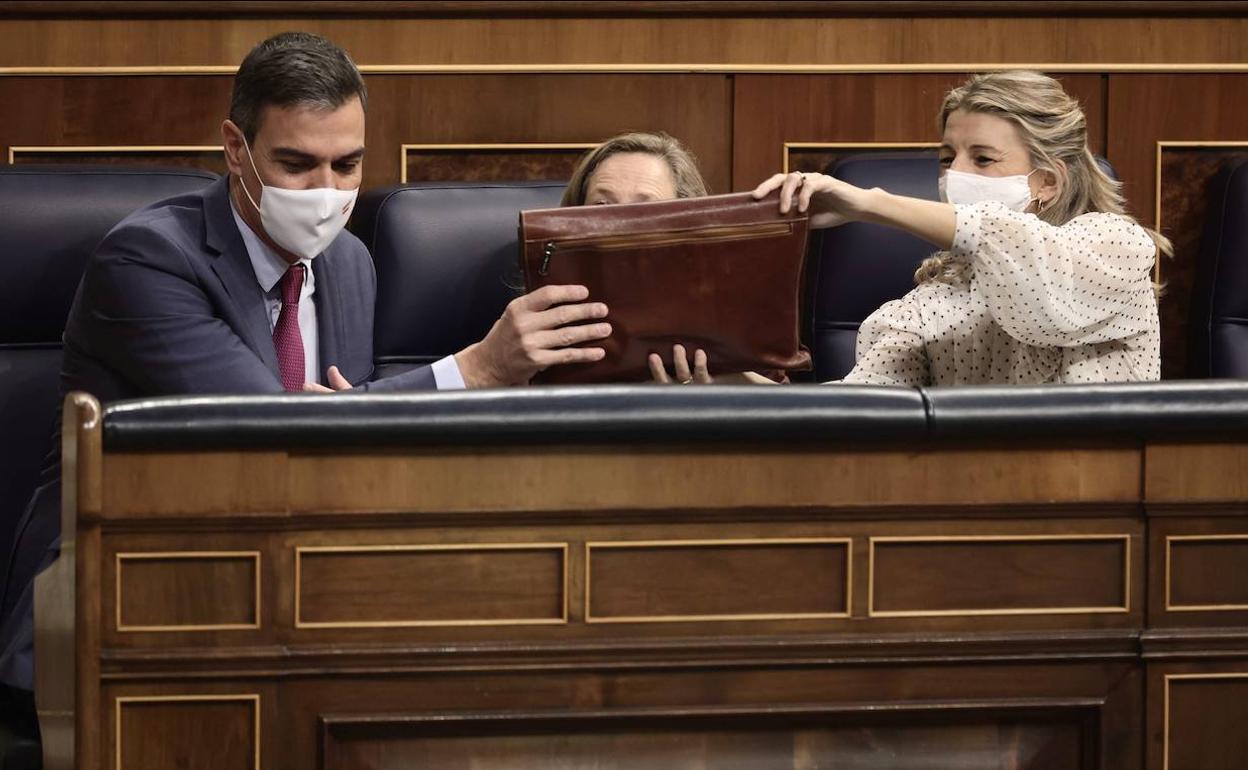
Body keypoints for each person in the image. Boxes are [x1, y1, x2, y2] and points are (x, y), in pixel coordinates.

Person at [0, 31, 611, 703]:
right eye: (297, 163)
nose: (327, 192)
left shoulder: (349, 263)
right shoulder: (147, 260)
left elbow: (337, 462)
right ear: (237, 149)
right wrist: (476, 371)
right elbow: (268, 433)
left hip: (286, 592)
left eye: (347, 165)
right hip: (122, 600)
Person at [750, 70, 1170, 386]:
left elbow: (1021, 261)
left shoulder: (1115, 246)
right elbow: (858, 411)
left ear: (1048, 182)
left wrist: (870, 203)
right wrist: (728, 385)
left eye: (983, 158)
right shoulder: (934, 300)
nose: (955, 175)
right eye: (948, 158)